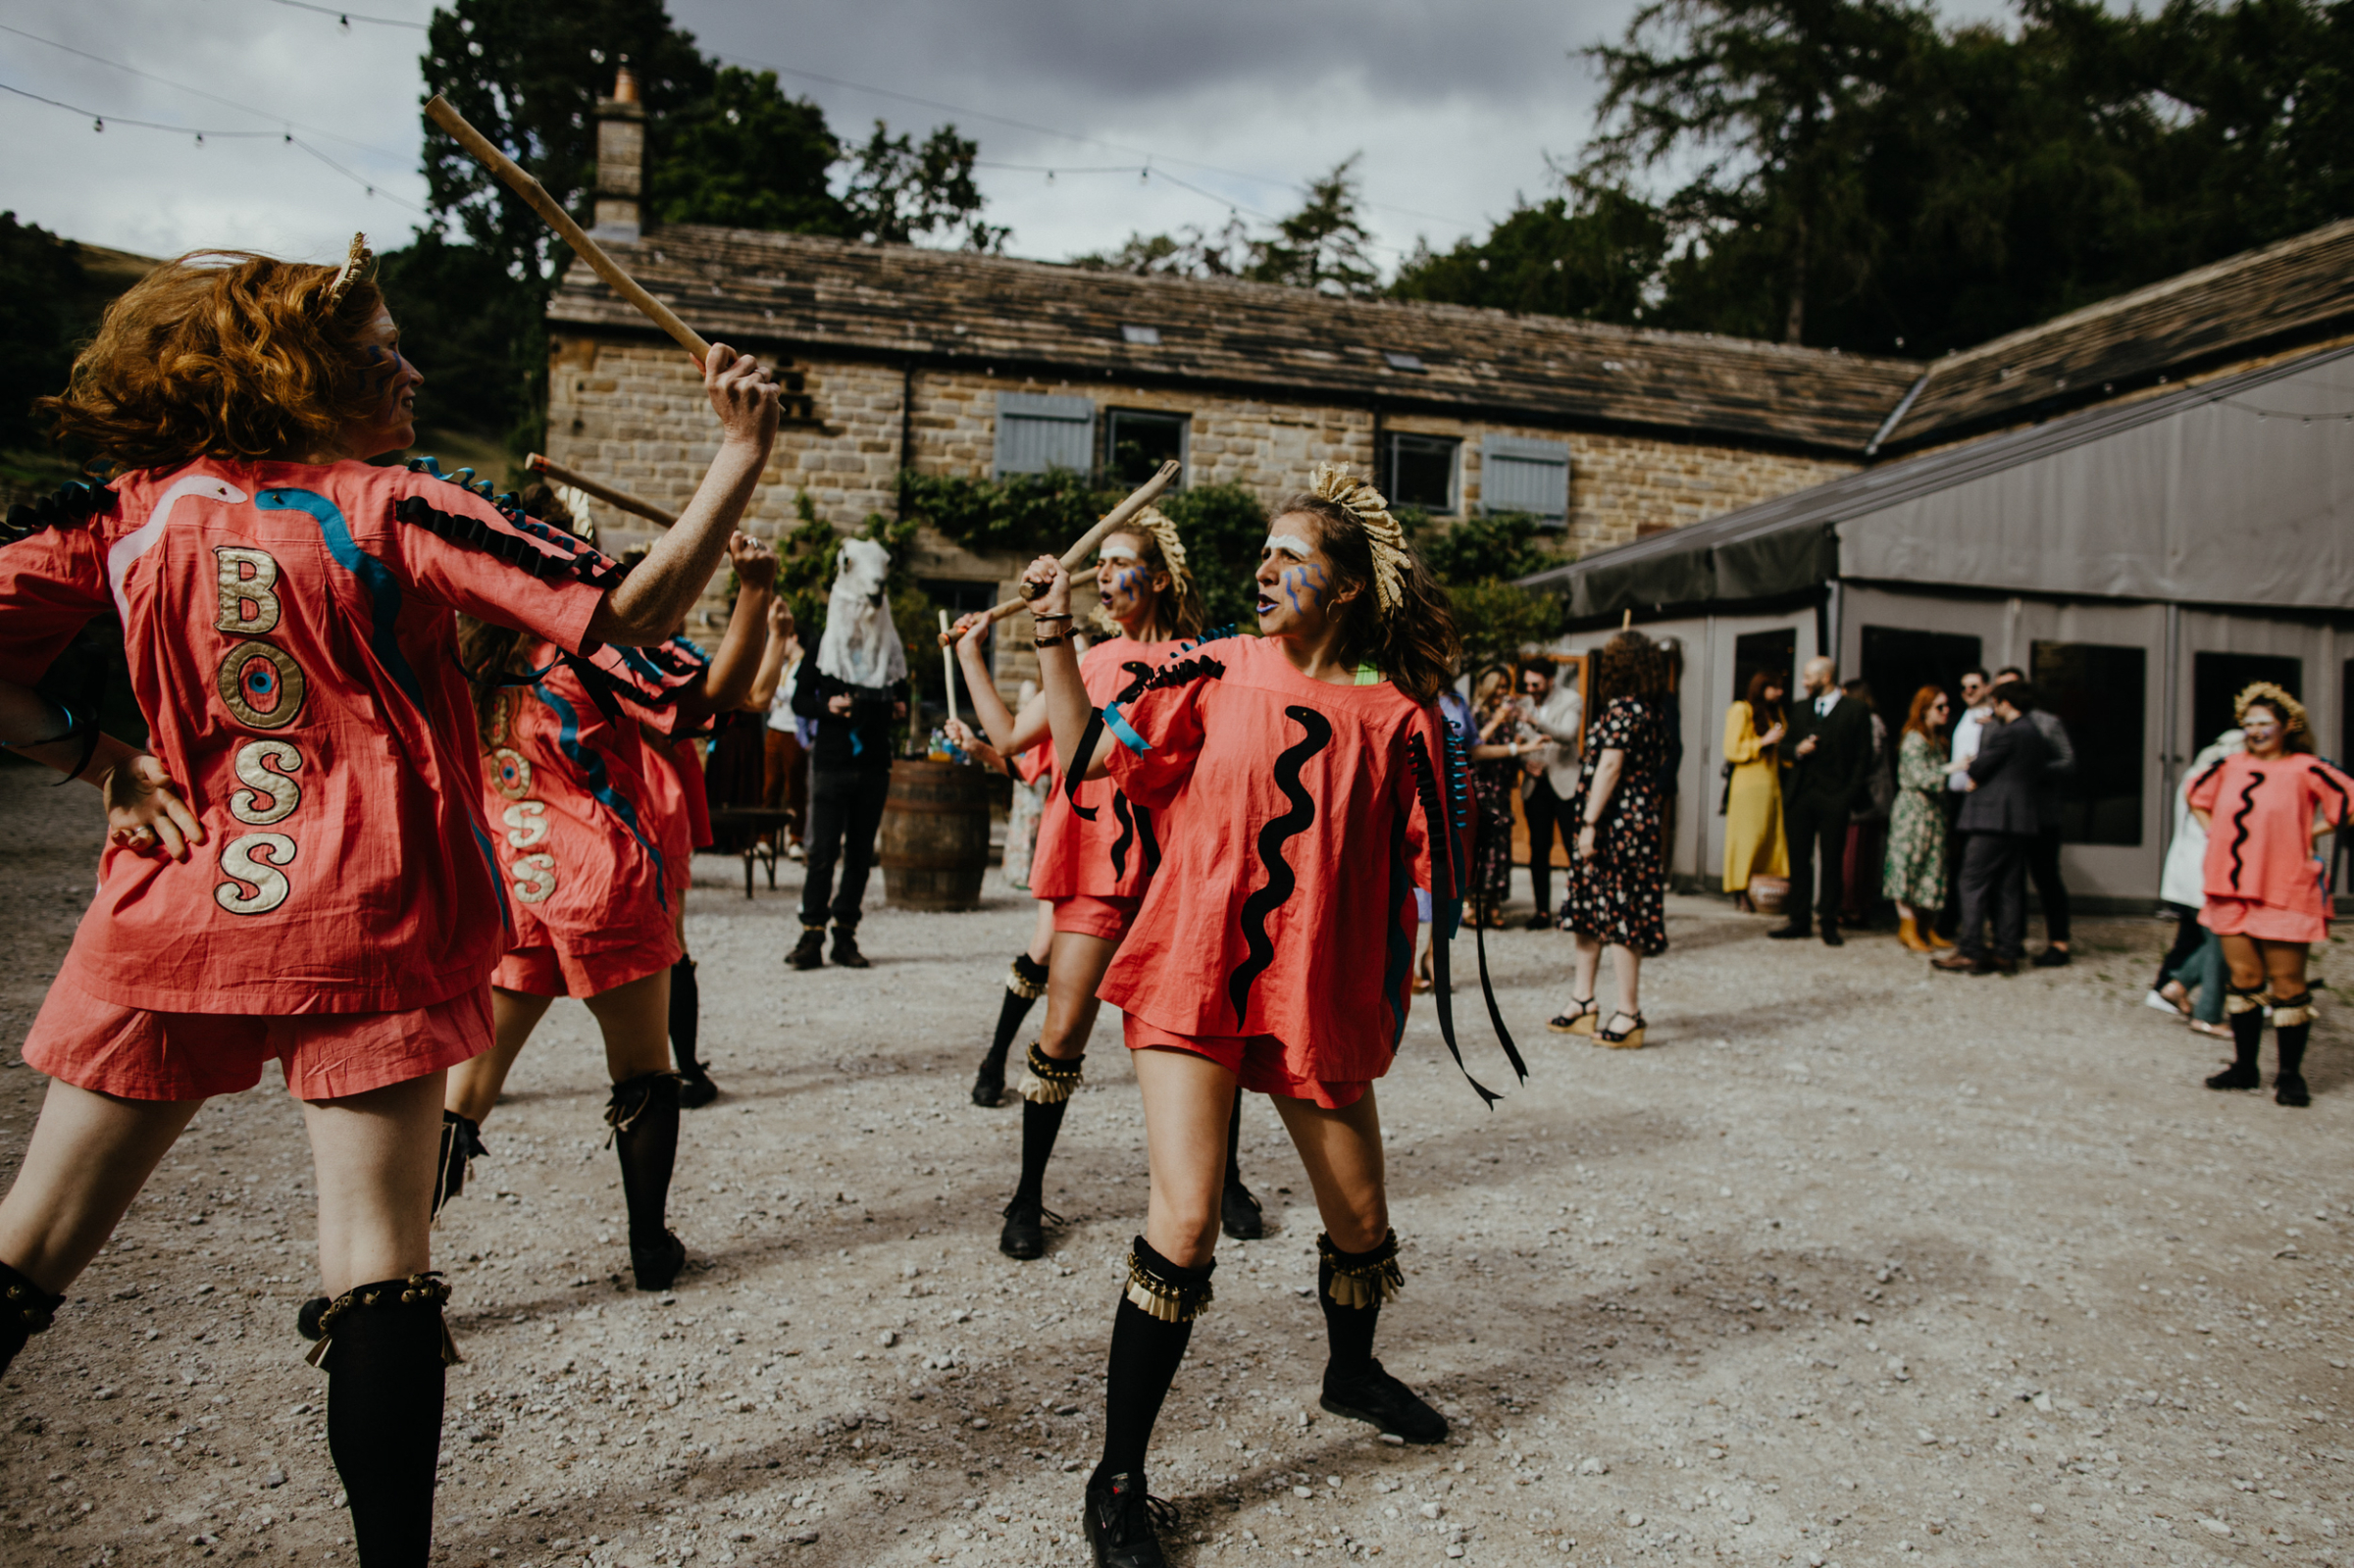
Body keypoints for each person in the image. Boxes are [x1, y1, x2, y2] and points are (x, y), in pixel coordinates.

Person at [0, 240, 778, 1566]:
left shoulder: (126, 510)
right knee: (376, 1262)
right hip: (363, 916)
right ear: (291, 374)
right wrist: (740, 451)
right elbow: (631, 612)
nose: (411, 370)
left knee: (25, 1250)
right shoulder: (398, 506)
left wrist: (99, 757)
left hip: (173, 912)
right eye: (379, 355)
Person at [1025, 463, 1516, 1567]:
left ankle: (1351, 1372)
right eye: (1264, 553)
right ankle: (1118, 1479)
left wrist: (1429, 932)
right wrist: (1057, 634)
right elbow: (1087, 751)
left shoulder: (1398, 715)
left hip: (1316, 987)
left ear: (1345, 589)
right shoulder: (1210, 664)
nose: (1265, 569)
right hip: (1193, 967)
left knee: (1361, 1224)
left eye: (1292, 557)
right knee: (1186, 1220)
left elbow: (1426, 859)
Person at [437, 529, 778, 1289]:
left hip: (516, 889)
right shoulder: (585, 645)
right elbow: (715, 697)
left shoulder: (470, 654)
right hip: (603, 887)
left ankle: (381, 1263)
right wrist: (754, 592)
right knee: (643, 1073)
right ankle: (650, 1246)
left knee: (463, 1096)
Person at [951, 512, 1263, 1257]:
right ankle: (1027, 1194)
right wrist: (970, 657)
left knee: (1207, 1033)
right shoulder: (1086, 659)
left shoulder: (1201, 660)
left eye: (1122, 561)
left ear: (1158, 578)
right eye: (1103, 562)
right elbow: (1010, 740)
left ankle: (1224, 1179)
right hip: (1096, 868)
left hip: (1177, 874)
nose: (1105, 577)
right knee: (1061, 1035)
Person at [2185, 684, 2354, 1106]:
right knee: (2243, 979)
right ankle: (2245, 1067)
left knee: (2287, 983)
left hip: (2283, 885)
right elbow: (2196, 797)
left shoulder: (2306, 767)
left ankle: (2290, 1075)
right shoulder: (2227, 766)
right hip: (2229, 886)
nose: (2255, 730)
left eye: (2265, 723)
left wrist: (2310, 833)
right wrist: (2212, 829)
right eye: (2249, 722)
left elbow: (2348, 799)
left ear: (2287, 726)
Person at [788, 538, 909, 970]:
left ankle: (845, 936)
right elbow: (799, 700)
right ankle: (811, 935)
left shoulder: (889, 647)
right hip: (833, 761)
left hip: (874, 763)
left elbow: (902, 693)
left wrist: (899, 707)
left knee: (859, 853)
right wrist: (828, 707)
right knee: (821, 852)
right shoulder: (825, 644)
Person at [1549, 631, 1671, 1046]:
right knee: (1589, 906)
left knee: (1620, 912)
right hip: (1629, 821)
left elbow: (1610, 767)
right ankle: (1583, 1000)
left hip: (1616, 824)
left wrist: (1589, 823)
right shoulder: (1651, 712)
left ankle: (1628, 1011)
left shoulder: (1624, 712)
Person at [1933, 680, 2049, 976]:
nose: (1994, 708)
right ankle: (2006, 951)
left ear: (2005, 704)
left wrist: (1985, 735)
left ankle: (1971, 950)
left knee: (1971, 881)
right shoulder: (2034, 732)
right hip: (2020, 820)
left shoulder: (2007, 732)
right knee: (2008, 886)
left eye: (1996, 703)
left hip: (1993, 818)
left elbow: (1978, 766)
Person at [2148, 728, 2246, 1039]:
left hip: (2190, 870)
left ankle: (2177, 985)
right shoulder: (2222, 777)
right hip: (2209, 871)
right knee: (2220, 943)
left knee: (2207, 940)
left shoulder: (2197, 772)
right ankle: (2206, 1012)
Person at [1771, 656, 1873, 944]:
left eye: (1808, 677)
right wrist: (1798, 750)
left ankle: (1828, 920)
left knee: (1831, 861)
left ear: (1825, 678)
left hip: (1834, 797)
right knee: (1799, 859)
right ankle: (1799, 918)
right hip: (1800, 795)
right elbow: (1785, 748)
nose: (1803, 683)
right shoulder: (1801, 709)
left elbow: (1863, 758)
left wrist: (1847, 796)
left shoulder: (1855, 710)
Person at [1992, 666, 2077, 967]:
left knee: (2046, 878)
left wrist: (2035, 770)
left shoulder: (2047, 722)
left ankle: (2059, 942)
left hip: (2042, 813)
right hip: (2007, 814)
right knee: (2008, 880)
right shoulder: (1996, 723)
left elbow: (2067, 761)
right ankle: (2010, 940)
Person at [1883, 685, 1955, 951]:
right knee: (1907, 865)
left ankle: (1926, 927)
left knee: (1931, 867)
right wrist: (1952, 768)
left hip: (1933, 812)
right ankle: (1908, 927)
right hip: (1913, 811)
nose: (1946, 711)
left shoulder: (1937, 739)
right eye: (1940, 707)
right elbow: (1921, 777)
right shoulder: (1914, 738)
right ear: (1924, 710)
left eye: (1947, 706)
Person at [1468, 666, 1539, 928]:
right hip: (1480, 790)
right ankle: (1472, 904)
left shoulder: (1508, 719)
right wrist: (1496, 722)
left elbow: (1510, 751)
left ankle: (1494, 905)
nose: (1502, 693)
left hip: (1501, 790)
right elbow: (1473, 747)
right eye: (1498, 687)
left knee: (1500, 850)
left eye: (1505, 688)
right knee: (1481, 850)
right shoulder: (1476, 714)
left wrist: (1524, 760)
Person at [1515, 657, 1583, 929]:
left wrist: (1534, 721)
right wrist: (1524, 762)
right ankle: (1542, 910)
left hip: (1564, 783)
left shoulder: (1571, 700)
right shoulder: (1522, 703)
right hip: (1536, 785)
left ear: (1550, 680)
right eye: (1527, 684)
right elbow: (1516, 743)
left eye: (1536, 684)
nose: (1530, 688)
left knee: (1572, 847)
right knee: (1538, 849)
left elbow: (1567, 735)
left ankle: (1578, 908)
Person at [1720, 670, 1788, 911]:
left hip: (1771, 783)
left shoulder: (1776, 713)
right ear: (1762, 687)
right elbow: (1731, 748)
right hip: (1747, 786)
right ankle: (1741, 888)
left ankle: (1765, 889)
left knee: (1769, 839)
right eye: (1775, 687)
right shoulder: (1742, 710)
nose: (1780, 693)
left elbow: (1783, 751)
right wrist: (1762, 741)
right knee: (1747, 839)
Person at [758, 597, 808, 858]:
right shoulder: (784, 665)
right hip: (775, 727)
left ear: (793, 637)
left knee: (795, 787)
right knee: (771, 786)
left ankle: (795, 838)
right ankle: (766, 838)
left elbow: (797, 697)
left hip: (793, 731)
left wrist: (773, 690)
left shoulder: (803, 666)